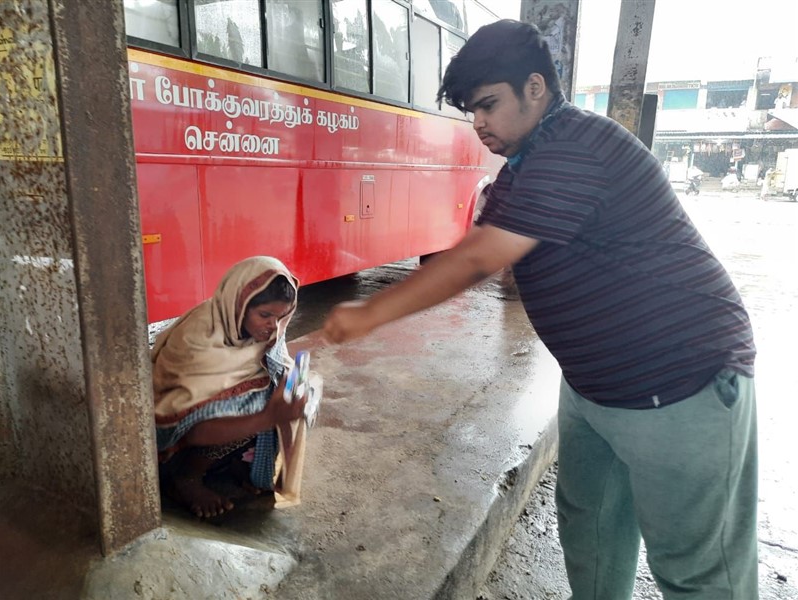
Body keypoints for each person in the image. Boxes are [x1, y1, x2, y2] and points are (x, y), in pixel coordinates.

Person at [322, 19, 757, 600]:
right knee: (592, 533)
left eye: (488, 105)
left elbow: (478, 258)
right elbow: (485, 243)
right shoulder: (524, 166)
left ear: (535, 87)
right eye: (471, 112)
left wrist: (368, 314)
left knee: (698, 569)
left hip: (683, 380)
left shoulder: (575, 146)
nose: (478, 124)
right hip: (594, 385)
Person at [152, 256, 308, 518]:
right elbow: (192, 427)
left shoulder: (267, 330)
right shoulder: (196, 339)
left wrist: (293, 387)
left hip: (221, 431)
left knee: (277, 392)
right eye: (265, 315)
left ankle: (234, 461)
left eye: (281, 316)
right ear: (238, 304)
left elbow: (278, 365)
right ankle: (185, 478)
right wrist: (267, 417)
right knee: (255, 406)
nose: (273, 326)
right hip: (175, 443)